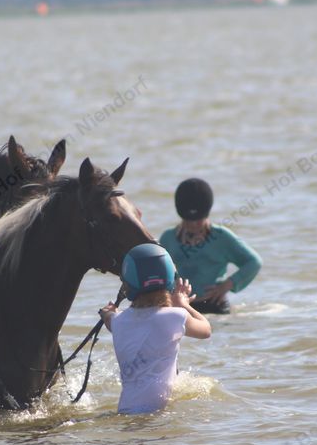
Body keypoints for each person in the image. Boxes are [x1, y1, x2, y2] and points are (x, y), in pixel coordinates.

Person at [99, 244, 211, 415]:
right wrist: (183, 304)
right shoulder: (177, 316)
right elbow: (206, 330)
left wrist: (107, 312)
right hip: (157, 412)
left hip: (125, 410)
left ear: (128, 283)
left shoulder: (118, 320)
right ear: (169, 279)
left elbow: (108, 318)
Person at [159, 178, 262, 314]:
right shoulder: (168, 238)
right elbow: (158, 273)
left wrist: (227, 285)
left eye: (198, 220)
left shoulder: (221, 237)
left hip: (214, 306)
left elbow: (253, 262)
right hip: (181, 308)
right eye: (188, 220)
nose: (193, 224)